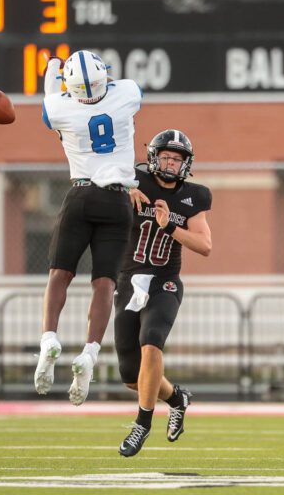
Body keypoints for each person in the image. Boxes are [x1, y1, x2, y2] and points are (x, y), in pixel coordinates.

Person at [35, 50, 142, 406]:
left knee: (59, 274)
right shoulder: (127, 93)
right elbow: (116, 88)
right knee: (105, 283)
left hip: (81, 194)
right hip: (117, 200)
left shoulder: (59, 108)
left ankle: (49, 338)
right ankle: (90, 353)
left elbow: (51, 98)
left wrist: (53, 67)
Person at [114, 130, 212, 457]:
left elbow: (205, 245)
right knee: (132, 377)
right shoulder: (133, 179)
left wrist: (169, 225)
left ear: (186, 163)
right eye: (167, 157)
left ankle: (142, 424)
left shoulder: (193, 196)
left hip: (165, 282)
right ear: (154, 157)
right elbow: (100, 183)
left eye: (177, 159)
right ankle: (176, 398)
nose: (171, 163)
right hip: (128, 281)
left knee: (151, 341)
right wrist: (123, 189)